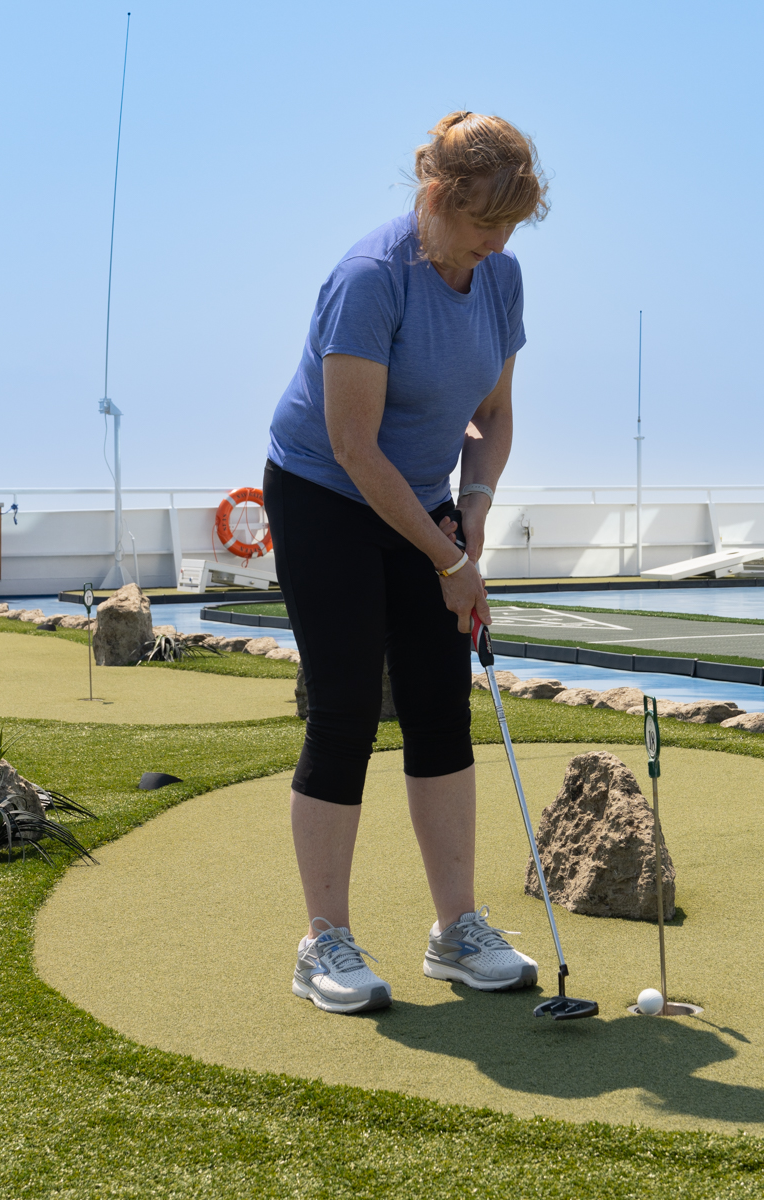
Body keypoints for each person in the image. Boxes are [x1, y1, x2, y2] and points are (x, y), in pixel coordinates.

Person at [264, 111, 549, 1014]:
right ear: (437, 196)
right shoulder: (368, 280)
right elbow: (353, 446)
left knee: (438, 707)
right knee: (345, 709)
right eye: (482, 223)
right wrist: (447, 561)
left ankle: (455, 932)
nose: (495, 243)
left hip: (422, 495)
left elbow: (494, 416)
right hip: (325, 497)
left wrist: (470, 519)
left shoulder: (498, 276)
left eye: (509, 227)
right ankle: (323, 943)